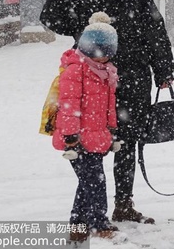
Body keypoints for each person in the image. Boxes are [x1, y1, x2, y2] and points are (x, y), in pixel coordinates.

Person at [40, 0, 174, 225]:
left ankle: (124, 204)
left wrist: (163, 69)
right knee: (91, 149)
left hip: (132, 81)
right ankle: (90, 210)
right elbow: (51, 20)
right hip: (93, 87)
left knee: (127, 145)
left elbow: (155, 32)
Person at [52, 12, 121, 242]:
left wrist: (111, 132)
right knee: (94, 181)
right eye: (100, 52)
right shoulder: (76, 70)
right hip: (77, 139)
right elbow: (69, 106)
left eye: (108, 52)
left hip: (96, 137)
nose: (104, 58)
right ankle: (99, 222)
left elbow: (110, 106)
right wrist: (71, 136)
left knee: (89, 182)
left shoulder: (106, 72)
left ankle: (78, 224)